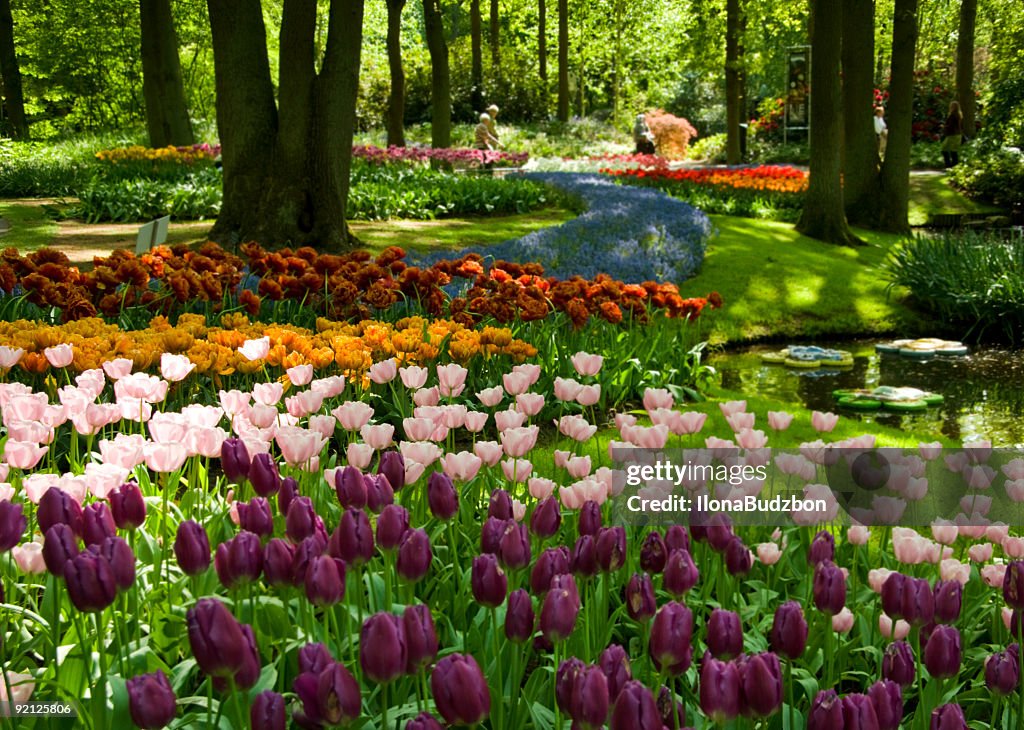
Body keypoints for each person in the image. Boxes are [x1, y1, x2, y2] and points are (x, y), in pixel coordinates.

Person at [941, 100, 963, 168]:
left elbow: (951, 126)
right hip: (958, 134)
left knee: (944, 149)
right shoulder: (959, 115)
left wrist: (943, 126)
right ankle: (955, 165)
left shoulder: (952, 115)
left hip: (952, 134)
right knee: (954, 150)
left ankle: (948, 165)